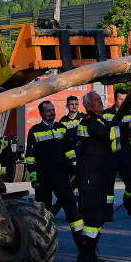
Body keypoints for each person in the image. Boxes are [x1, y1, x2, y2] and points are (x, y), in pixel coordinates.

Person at [75, 90, 131, 262]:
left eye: (100, 99)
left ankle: (87, 254)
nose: (100, 102)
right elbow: (108, 134)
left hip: (96, 176)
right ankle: (87, 257)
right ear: (88, 105)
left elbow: (111, 131)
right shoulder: (89, 121)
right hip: (90, 178)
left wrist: (130, 126)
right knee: (93, 218)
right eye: (95, 100)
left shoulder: (99, 120)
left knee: (97, 218)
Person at [25, 100, 82, 246]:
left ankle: (82, 244)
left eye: (53, 110)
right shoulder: (34, 131)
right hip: (43, 179)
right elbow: (30, 158)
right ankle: (42, 245)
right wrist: (34, 178)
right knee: (43, 214)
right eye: (48, 111)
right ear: (41, 113)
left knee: (72, 209)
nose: (52, 113)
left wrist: (75, 167)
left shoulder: (61, 128)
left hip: (61, 177)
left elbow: (69, 150)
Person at [102, 89, 131, 219]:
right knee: (108, 183)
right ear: (114, 99)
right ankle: (108, 210)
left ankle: (127, 203)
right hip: (110, 153)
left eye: (125, 100)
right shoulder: (106, 114)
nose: (123, 102)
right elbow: (108, 131)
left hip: (125, 151)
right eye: (120, 99)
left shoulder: (130, 114)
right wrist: (127, 126)